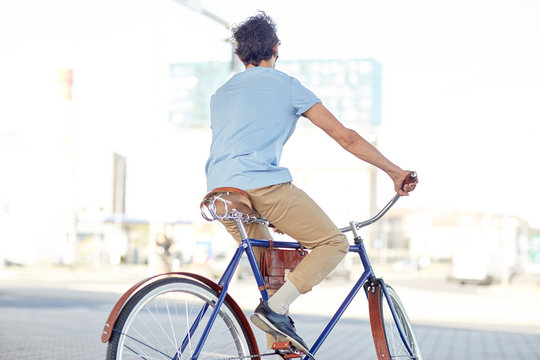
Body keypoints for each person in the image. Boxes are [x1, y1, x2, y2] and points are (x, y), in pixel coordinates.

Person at [205, 11, 417, 355]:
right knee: (331, 244)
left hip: (221, 194)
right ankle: (275, 311)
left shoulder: (220, 94)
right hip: (262, 186)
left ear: (239, 54)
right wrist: (394, 172)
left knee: (271, 273)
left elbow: (234, 147)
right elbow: (346, 137)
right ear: (276, 49)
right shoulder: (287, 85)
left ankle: (280, 344)